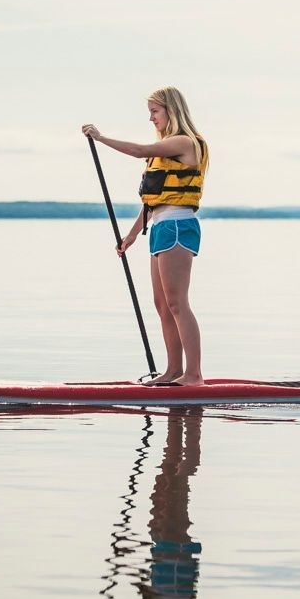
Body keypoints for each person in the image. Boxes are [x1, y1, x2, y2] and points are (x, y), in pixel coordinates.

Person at [82, 86, 208, 386]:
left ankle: (194, 375)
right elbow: (152, 203)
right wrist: (131, 236)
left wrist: (100, 138)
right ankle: (173, 371)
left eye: (155, 112)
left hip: (178, 225)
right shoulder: (166, 149)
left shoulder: (184, 142)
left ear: (171, 110)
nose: (151, 118)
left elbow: (139, 150)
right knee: (162, 305)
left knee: (178, 302)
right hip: (161, 227)